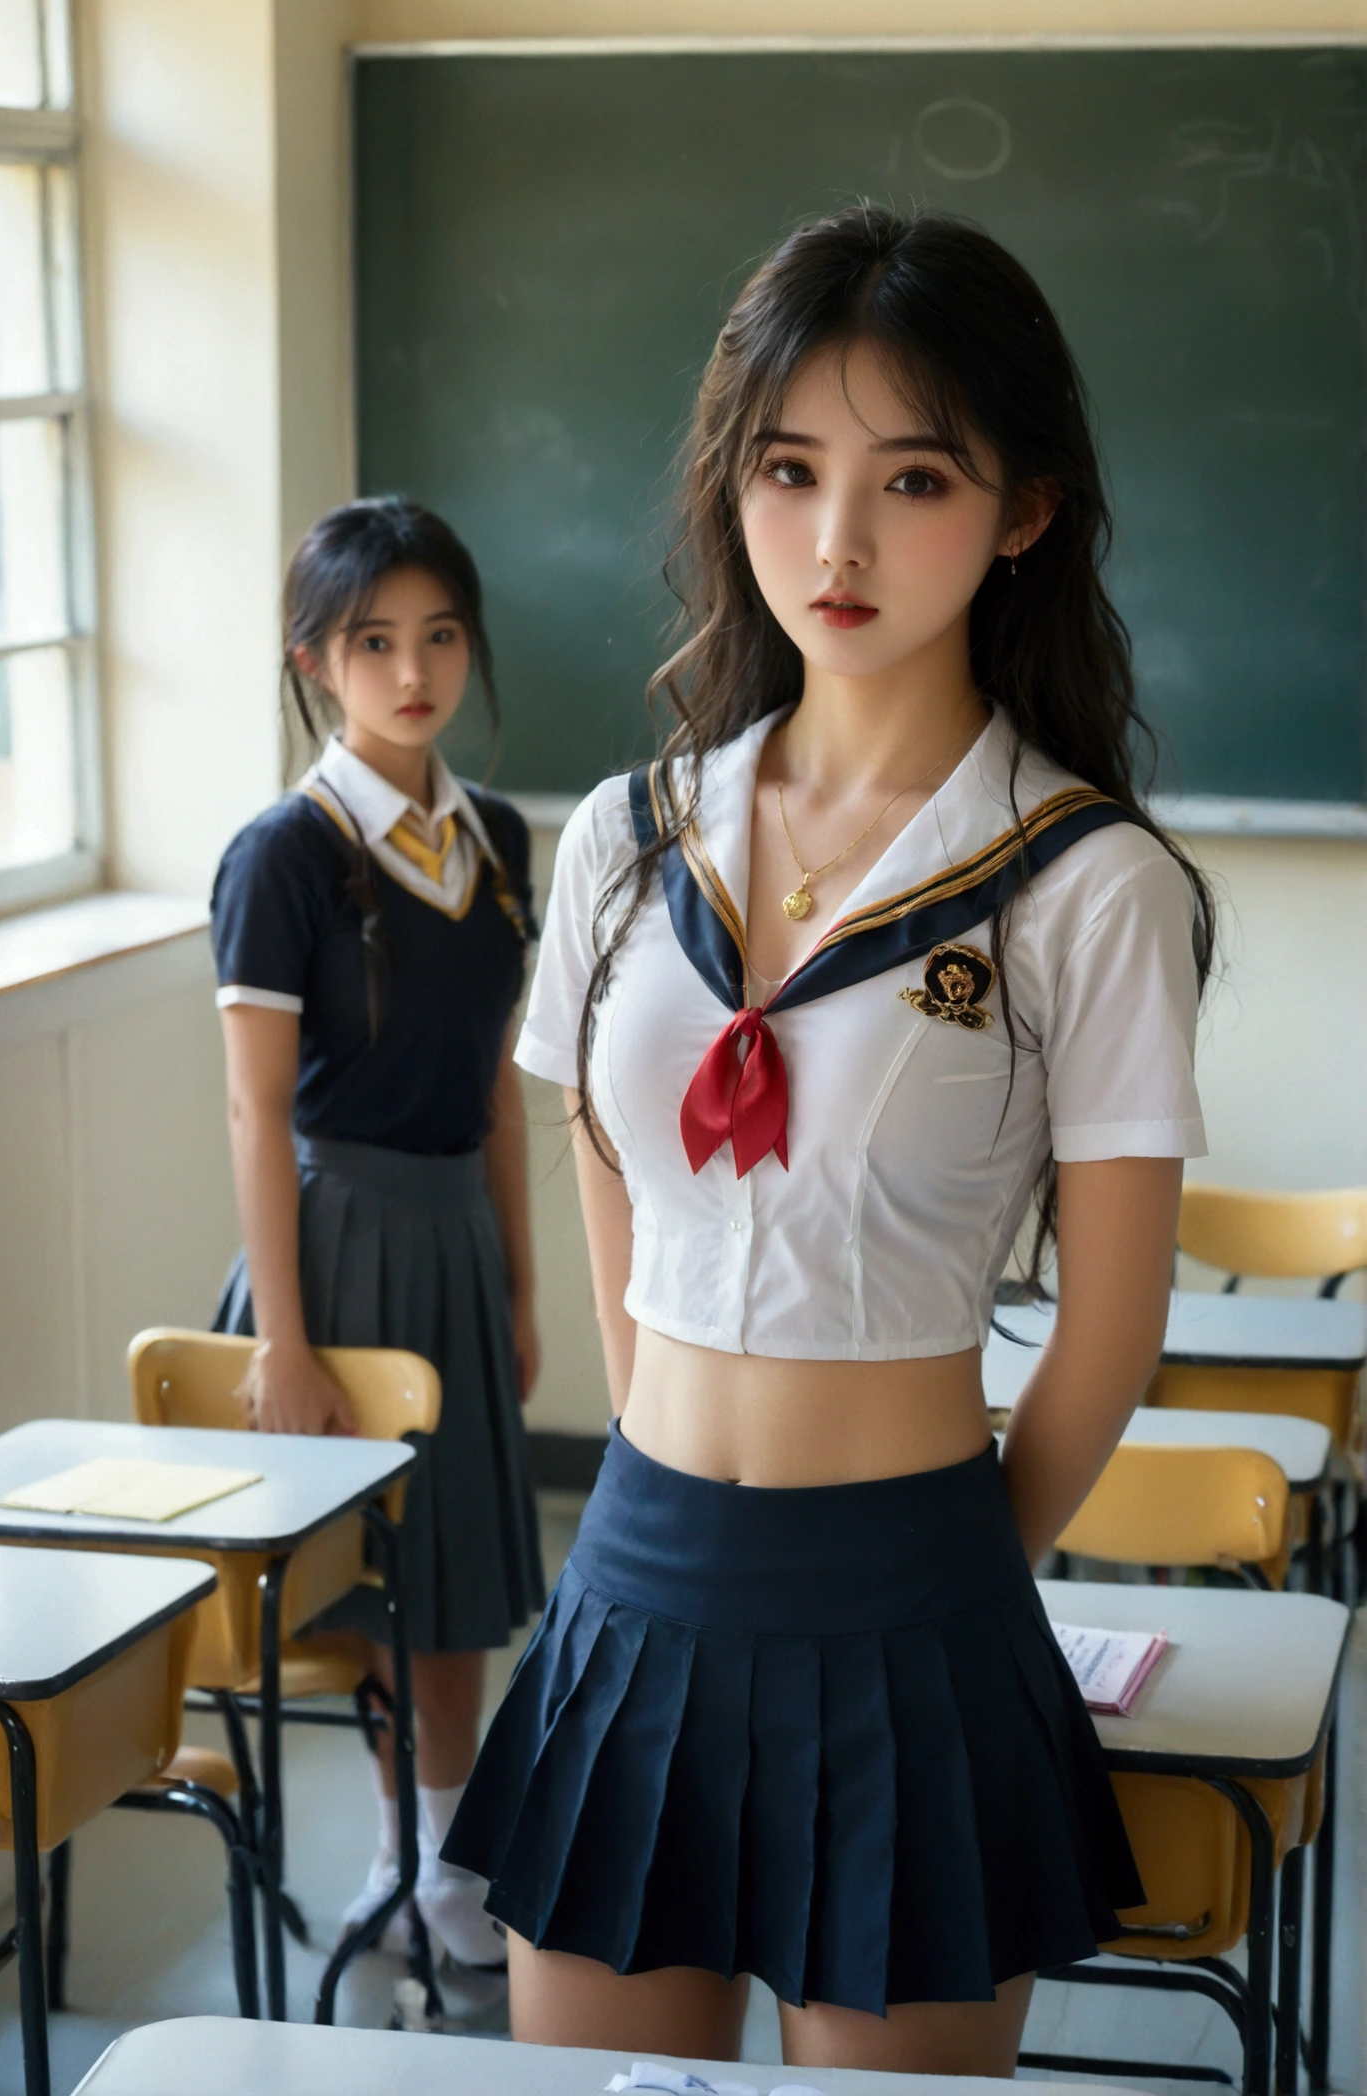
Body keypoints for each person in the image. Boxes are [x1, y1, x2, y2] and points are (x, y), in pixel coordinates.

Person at [444, 206, 1215, 2072]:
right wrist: (651, 1449)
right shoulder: (637, 830)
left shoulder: (1084, 882)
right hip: (631, 1591)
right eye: (789, 472)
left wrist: (948, 1568)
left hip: (916, 1611)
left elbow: (1113, 1321)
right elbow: (598, 1139)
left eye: (913, 477)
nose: (837, 542)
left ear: (1022, 509)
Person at [210, 497, 545, 1969]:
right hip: (333, 1246)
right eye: (374, 643)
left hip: (456, 1238)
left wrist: (526, 1285)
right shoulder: (286, 853)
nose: (413, 670)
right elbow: (252, 1113)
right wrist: (282, 1339)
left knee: (458, 1579)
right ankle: (397, 1858)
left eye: (439, 635)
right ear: (317, 662)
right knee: (357, 1584)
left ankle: (449, 1875)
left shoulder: (501, 842)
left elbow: (500, 1099)